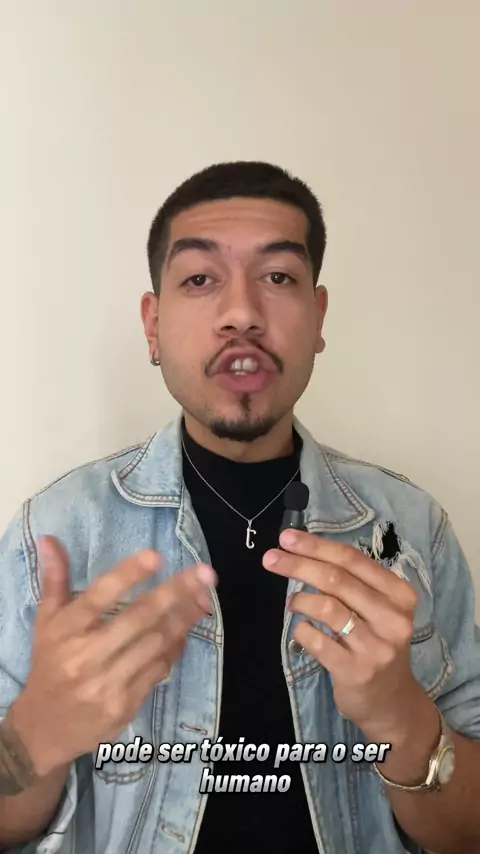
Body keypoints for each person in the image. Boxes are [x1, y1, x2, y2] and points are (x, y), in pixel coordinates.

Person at [0, 161, 478, 854]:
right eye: (200, 279)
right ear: (153, 325)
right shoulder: (54, 534)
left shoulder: (411, 529)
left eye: (278, 277)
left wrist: (404, 720)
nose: (243, 312)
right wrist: (34, 739)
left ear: (318, 317)